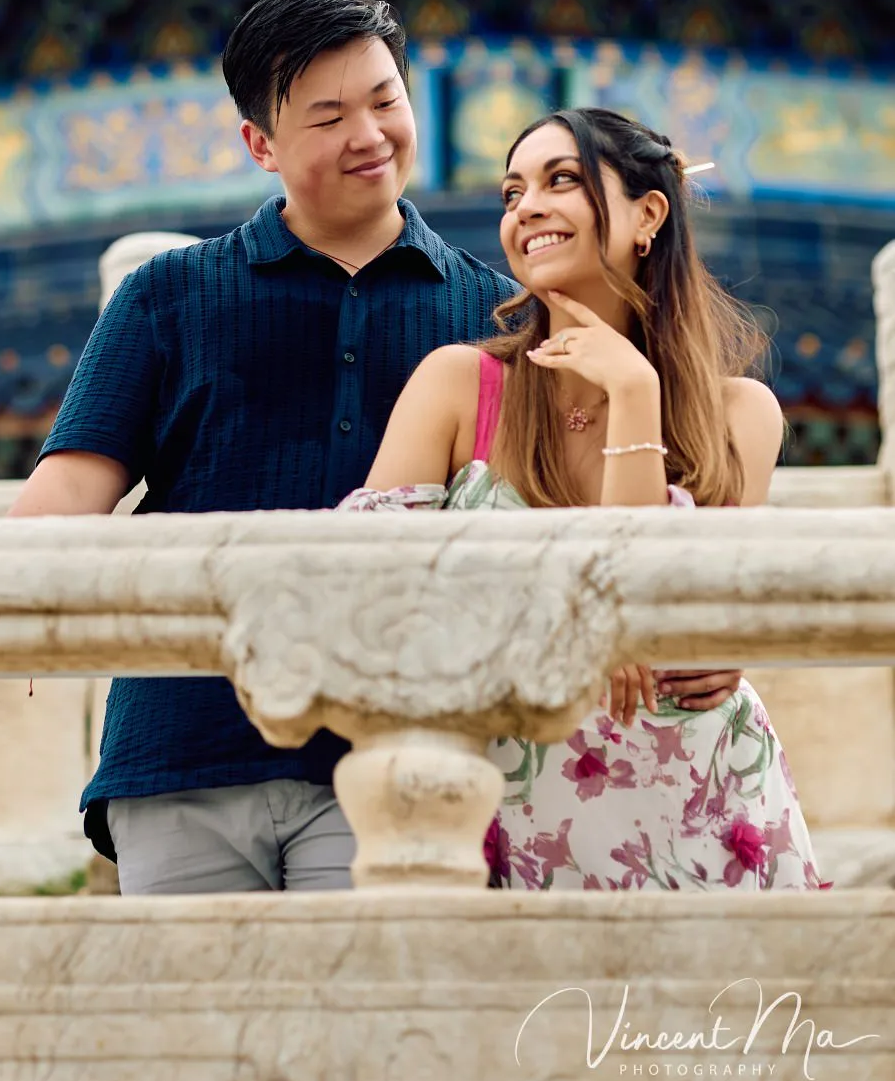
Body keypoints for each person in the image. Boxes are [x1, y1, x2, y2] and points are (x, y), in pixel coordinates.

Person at [7, 0, 513, 894]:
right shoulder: (169, 295)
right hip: (181, 750)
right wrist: (16, 599)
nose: (367, 136)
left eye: (384, 101)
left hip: (393, 755)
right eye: (326, 117)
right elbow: (71, 492)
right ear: (261, 144)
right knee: (194, 1037)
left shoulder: (490, 310)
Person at [340, 106, 822, 892]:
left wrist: (632, 390)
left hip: (702, 808)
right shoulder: (459, 387)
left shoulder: (738, 414)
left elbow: (661, 612)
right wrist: (583, 626)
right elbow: (371, 595)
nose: (524, 207)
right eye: (511, 191)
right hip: (516, 813)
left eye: (560, 181)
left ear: (647, 214)